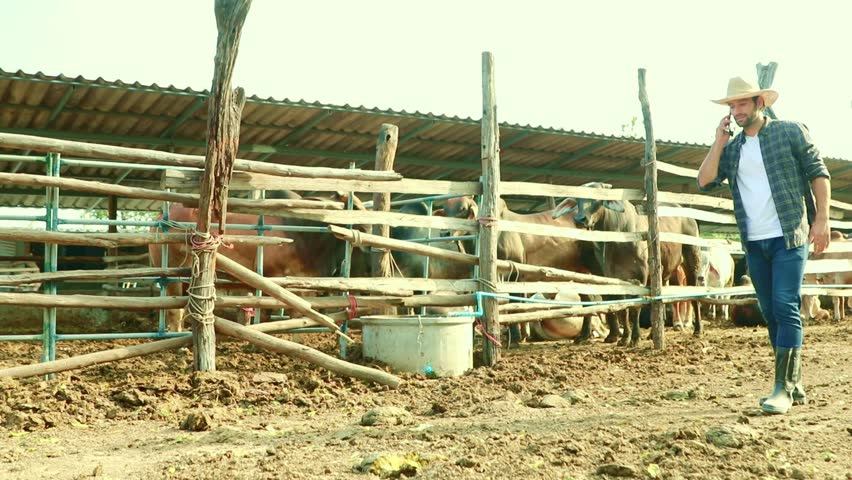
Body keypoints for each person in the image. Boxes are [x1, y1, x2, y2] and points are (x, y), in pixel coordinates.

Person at [697, 76, 831, 415]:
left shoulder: (789, 131)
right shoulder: (734, 149)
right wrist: (719, 141)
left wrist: (822, 220)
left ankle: (782, 388)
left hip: (789, 235)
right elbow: (704, 181)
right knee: (770, 309)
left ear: (760, 103)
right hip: (754, 242)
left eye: (743, 103)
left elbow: (819, 173)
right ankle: (794, 381)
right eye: (732, 105)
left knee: (785, 304)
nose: (737, 110)